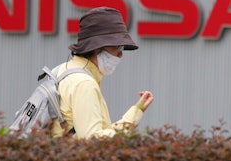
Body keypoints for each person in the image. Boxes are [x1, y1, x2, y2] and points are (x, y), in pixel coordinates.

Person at [51, 7, 154, 139]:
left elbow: (91, 134)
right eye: (116, 47)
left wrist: (136, 112)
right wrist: (131, 140)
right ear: (95, 48)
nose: (120, 54)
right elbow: (92, 140)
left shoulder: (63, 70)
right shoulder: (84, 83)